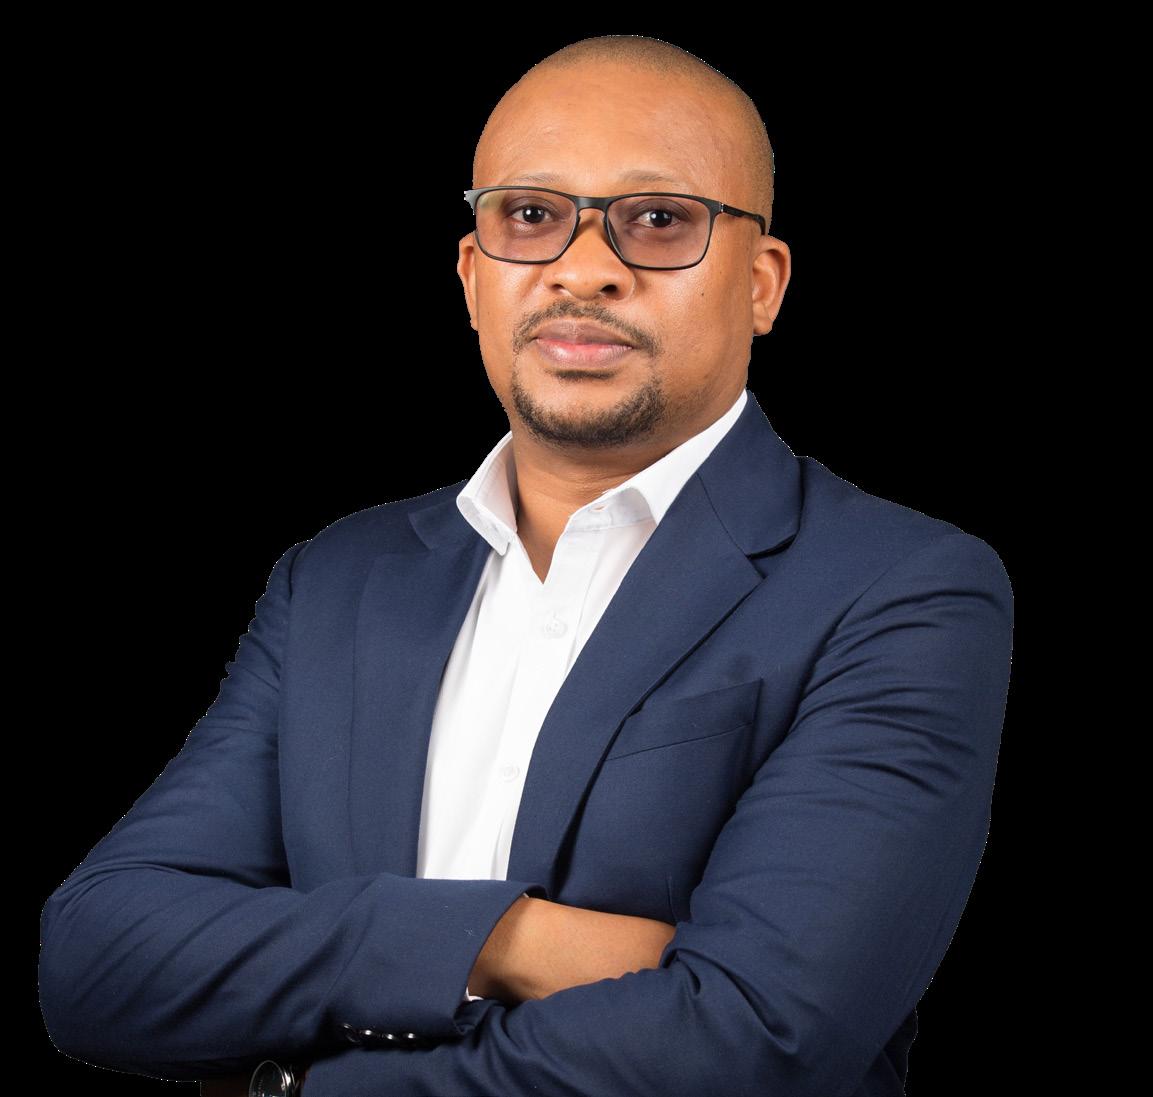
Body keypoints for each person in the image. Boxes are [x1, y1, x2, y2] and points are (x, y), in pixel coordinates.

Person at [38, 34, 1014, 1097]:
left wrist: (301, 1086)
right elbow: (97, 957)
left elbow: (754, 1042)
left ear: (761, 284)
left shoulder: (900, 589)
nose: (582, 267)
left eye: (658, 220)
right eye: (532, 214)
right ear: (472, 277)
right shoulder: (337, 579)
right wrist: (505, 939)